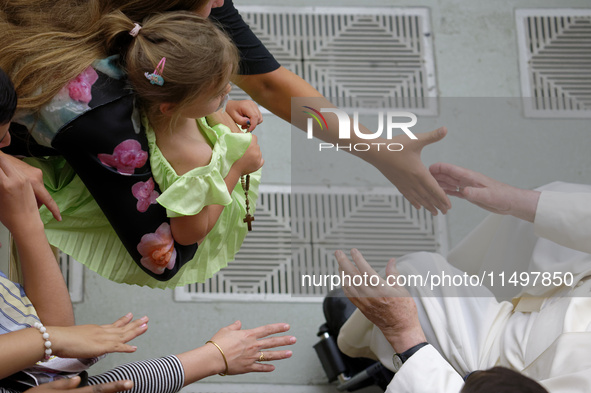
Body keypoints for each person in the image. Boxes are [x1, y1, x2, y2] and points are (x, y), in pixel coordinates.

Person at [0, 67, 295, 392]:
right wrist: (233, 165)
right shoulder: (189, 154)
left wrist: (214, 103)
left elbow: (69, 367)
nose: (8, 143)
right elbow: (175, 247)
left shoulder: (159, 110)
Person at [334, 162, 591, 392]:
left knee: (416, 273)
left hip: (521, 368)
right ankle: (448, 328)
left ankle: (367, 347)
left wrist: (404, 335)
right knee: (560, 195)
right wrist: (518, 200)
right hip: (573, 297)